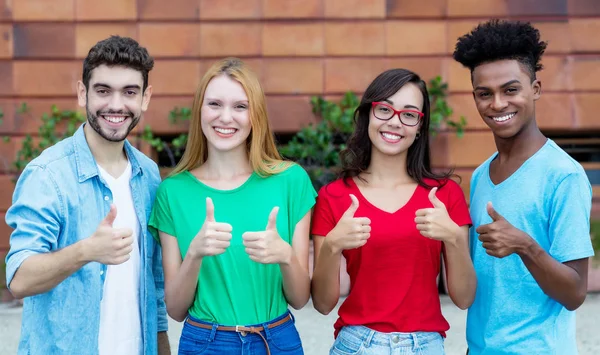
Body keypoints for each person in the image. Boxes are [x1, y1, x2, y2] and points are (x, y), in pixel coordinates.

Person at [4, 36, 170, 354]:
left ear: (146, 98)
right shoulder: (48, 175)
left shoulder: (148, 174)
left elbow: (154, 282)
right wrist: (86, 251)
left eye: (130, 92)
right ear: (83, 93)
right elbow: (19, 278)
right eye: (103, 90)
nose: (116, 105)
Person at [149, 57, 315, 355]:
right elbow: (175, 308)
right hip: (205, 342)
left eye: (240, 106)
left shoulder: (291, 181)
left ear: (256, 116)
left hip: (276, 341)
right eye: (214, 104)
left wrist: (286, 256)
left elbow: (301, 298)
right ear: (200, 110)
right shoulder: (172, 192)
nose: (226, 117)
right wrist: (195, 254)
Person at [310, 68, 477, 355]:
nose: (395, 122)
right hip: (356, 344)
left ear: (419, 127)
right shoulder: (334, 196)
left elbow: (463, 299)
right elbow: (324, 305)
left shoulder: (444, 195)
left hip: (426, 345)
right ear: (368, 115)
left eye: (409, 114)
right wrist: (332, 246)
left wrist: (454, 239)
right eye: (384, 109)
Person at [453, 19, 594, 355]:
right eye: (484, 94)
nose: (497, 104)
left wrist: (525, 246)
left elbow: (575, 293)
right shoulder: (480, 175)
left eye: (510, 89)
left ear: (536, 89)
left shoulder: (564, 175)